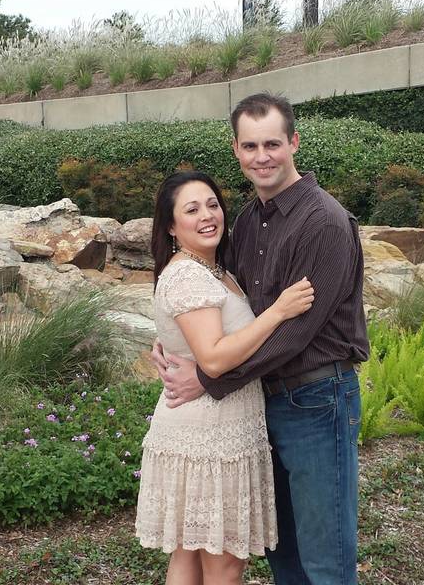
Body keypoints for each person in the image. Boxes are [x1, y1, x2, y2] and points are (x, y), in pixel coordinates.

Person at [156, 92, 370, 585]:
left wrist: (212, 378)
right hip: (260, 407)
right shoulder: (249, 221)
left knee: (325, 557)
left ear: (294, 142)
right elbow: (223, 306)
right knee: (283, 554)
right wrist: (176, 346)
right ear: (236, 150)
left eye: (272, 143)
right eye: (250, 146)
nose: (262, 157)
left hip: (317, 401)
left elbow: (295, 332)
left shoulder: (325, 222)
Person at [135, 170, 316, 585]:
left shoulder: (213, 270)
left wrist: (169, 342)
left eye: (212, 204)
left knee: (191, 555)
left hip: (211, 429)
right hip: (210, 437)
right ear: (171, 226)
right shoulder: (187, 274)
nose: (207, 216)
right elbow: (214, 360)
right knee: (224, 563)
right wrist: (279, 311)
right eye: (192, 209)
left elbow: (197, 338)